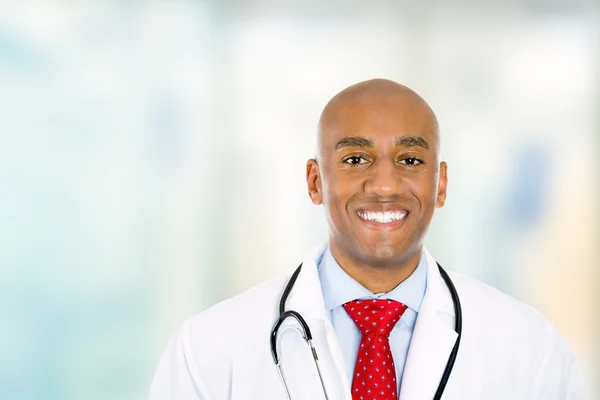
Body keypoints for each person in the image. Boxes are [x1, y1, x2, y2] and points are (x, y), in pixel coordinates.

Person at [149, 79, 583, 399]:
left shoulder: (531, 350)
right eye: (356, 159)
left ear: (441, 183)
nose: (384, 185)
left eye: (410, 159)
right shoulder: (208, 350)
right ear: (315, 181)